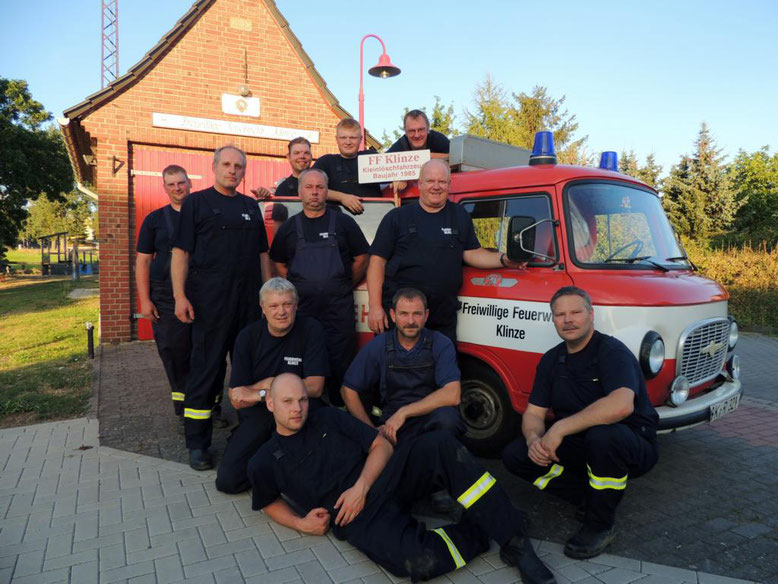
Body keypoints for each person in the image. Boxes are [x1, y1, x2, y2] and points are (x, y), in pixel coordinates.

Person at [248, 373, 556, 584]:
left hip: (379, 476)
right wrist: (300, 523)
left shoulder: (327, 416)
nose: (298, 409)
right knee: (413, 563)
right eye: (288, 402)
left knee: (441, 444)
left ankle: (515, 543)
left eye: (302, 400)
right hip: (354, 516)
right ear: (271, 404)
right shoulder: (263, 461)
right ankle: (483, 526)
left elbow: (381, 444)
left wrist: (362, 486)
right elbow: (268, 501)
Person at [501, 286, 659, 559]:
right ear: (553, 320)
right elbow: (534, 413)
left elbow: (621, 405)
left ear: (590, 314)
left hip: (630, 443)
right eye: (560, 314)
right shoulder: (551, 360)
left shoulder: (611, 351)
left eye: (575, 312)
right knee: (516, 455)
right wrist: (534, 440)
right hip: (581, 443)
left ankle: (600, 524)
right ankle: (589, 497)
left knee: (603, 437)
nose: (568, 320)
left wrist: (559, 428)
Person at [171, 145, 271, 471]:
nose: (233, 170)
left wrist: (268, 294)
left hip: (247, 306)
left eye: (239, 166)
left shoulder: (250, 207)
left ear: (244, 171)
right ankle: (198, 444)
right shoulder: (196, 203)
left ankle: (250, 437)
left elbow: (262, 256)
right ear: (214, 167)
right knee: (205, 372)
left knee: (249, 373)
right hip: (209, 305)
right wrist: (179, 297)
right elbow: (181, 253)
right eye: (227, 164)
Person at [367, 158, 525, 344]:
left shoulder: (459, 215)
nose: (436, 187)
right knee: (398, 370)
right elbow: (377, 262)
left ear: (449, 185)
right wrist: (375, 306)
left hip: (442, 319)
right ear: (420, 184)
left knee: (442, 370)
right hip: (403, 318)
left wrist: (505, 259)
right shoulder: (397, 217)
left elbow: (472, 253)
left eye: (442, 181)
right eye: (430, 181)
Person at [215, 278, 329, 494]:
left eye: (287, 304)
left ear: (296, 305)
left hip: (300, 412)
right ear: (263, 308)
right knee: (228, 481)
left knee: (319, 476)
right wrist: (265, 392)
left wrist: (268, 387)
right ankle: (273, 464)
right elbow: (238, 398)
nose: (281, 312)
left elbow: (315, 387)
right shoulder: (248, 337)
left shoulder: (311, 329)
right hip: (259, 415)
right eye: (274, 306)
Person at [270, 169, 369, 405]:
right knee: (301, 363)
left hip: (338, 312)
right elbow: (279, 262)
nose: (314, 192)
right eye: (309, 187)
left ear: (326, 191)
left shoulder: (345, 223)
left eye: (320, 187)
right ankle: (306, 414)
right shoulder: (289, 228)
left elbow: (363, 257)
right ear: (301, 191)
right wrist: (297, 286)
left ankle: (341, 411)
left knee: (341, 365)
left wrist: (344, 282)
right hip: (302, 312)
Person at [341, 288, 463, 445]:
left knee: (448, 419)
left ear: (426, 315)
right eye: (404, 314)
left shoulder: (440, 343)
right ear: (393, 316)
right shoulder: (380, 345)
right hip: (393, 425)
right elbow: (348, 390)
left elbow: (453, 394)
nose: (411, 321)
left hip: (430, 418)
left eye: (417, 314)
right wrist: (370, 432)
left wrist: (404, 412)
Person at [135, 165, 192, 426]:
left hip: (199, 292)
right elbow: (143, 262)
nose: (177, 188)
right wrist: (145, 301)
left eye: (181, 183)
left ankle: (208, 405)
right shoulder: (154, 220)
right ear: (165, 188)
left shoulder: (201, 214)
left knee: (203, 349)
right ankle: (183, 406)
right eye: (171, 184)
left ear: (189, 183)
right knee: (173, 350)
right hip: (164, 295)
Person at [313, 118, 382, 213]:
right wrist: (342, 197)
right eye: (343, 138)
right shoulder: (325, 162)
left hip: (373, 220)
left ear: (361, 139)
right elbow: (313, 189)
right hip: (336, 222)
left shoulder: (372, 159)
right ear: (336, 139)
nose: (348, 142)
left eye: (353, 138)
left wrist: (399, 179)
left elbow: (395, 171)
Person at [387, 109, 450, 193]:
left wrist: (426, 157)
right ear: (405, 131)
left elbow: (456, 159)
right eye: (411, 131)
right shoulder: (399, 146)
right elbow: (383, 168)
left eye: (421, 130)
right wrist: (399, 175)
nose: (417, 135)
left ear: (428, 129)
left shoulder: (438, 139)